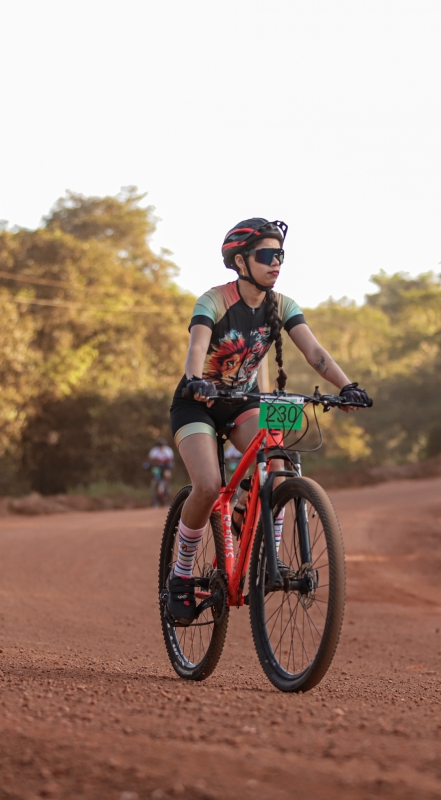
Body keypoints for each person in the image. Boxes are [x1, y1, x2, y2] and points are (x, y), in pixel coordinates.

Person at [165, 218, 369, 625]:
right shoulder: (214, 300)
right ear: (241, 261)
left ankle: (262, 550)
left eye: (280, 255)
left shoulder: (283, 305)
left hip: (244, 402)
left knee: (277, 462)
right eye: (266, 255)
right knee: (208, 486)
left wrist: (347, 387)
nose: (276, 262)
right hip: (197, 403)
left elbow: (315, 353)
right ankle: (181, 576)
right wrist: (195, 380)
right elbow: (197, 347)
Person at [145, 438, 175, 506]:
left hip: (166, 467)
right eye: (160, 446)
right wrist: (147, 464)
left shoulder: (168, 450)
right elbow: (149, 459)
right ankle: (156, 490)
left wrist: (168, 466)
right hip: (158, 467)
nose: (161, 447)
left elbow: (171, 461)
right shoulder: (154, 450)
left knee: (167, 475)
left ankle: (167, 488)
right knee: (155, 479)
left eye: (162, 446)